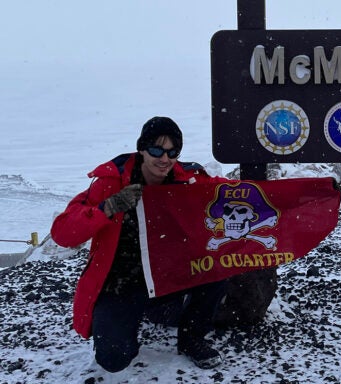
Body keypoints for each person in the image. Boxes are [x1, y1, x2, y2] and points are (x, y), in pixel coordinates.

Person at [51, 116, 229, 372]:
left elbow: (225, 192)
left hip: (167, 277)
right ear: (142, 149)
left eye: (172, 152)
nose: (165, 158)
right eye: (157, 150)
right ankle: (134, 320)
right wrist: (109, 207)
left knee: (217, 267)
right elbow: (64, 233)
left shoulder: (186, 180)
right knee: (113, 360)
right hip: (122, 282)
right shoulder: (111, 182)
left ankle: (191, 338)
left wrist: (285, 195)